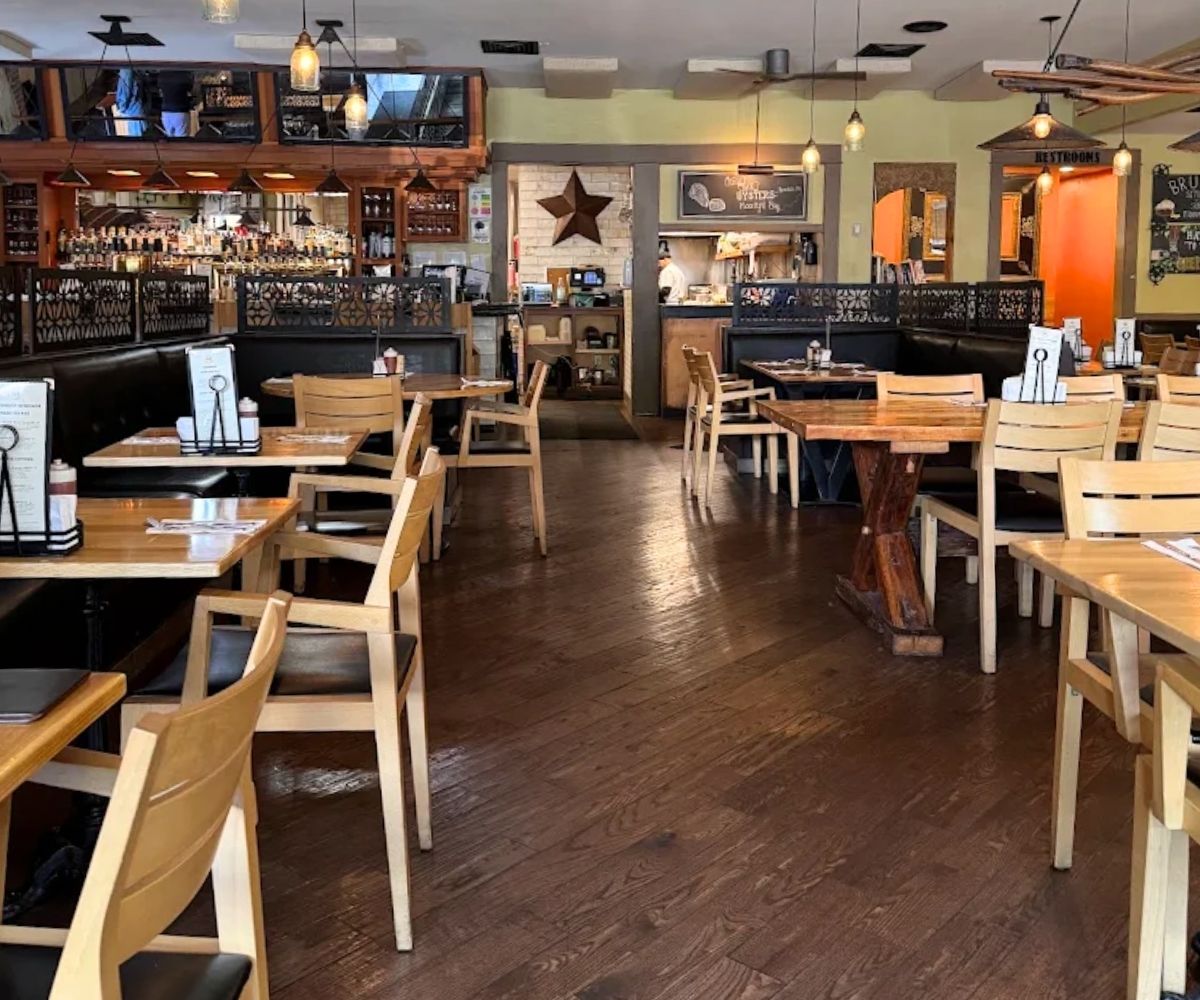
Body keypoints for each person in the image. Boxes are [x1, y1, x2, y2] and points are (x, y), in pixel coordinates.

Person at [157, 70, 193, 137]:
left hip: (165, 111)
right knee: (181, 141)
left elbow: (160, 91)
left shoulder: (162, 74)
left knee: (169, 140)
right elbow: (190, 90)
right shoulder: (185, 74)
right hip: (180, 110)